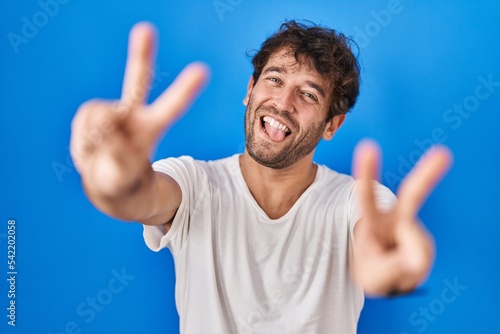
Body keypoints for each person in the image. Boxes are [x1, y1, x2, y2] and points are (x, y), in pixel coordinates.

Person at [70, 20, 452, 333]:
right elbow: (134, 196)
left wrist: (393, 265)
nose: (282, 104)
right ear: (250, 90)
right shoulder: (193, 182)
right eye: (274, 80)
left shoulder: (356, 200)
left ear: (332, 125)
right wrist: (114, 175)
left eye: (309, 95)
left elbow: (380, 236)